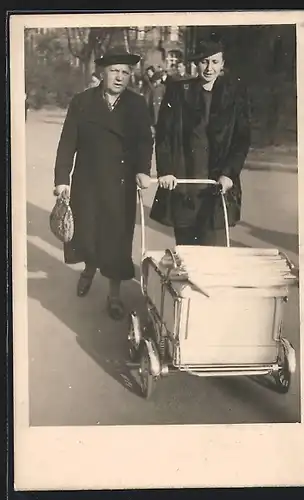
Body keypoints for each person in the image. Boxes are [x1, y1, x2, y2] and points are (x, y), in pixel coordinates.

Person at [53, 49, 153, 320]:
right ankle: (89, 268)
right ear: (102, 73)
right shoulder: (82, 102)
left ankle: (115, 294)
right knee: (86, 231)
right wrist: (62, 179)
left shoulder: (136, 104)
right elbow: (67, 142)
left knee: (117, 238)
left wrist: (143, 170)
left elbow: (145, 141)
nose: (120, 77)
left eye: (125, 72)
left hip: (120, 184)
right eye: (114, 71)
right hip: (87, 179)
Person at [150, 39, 251, 246]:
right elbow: (164, 135)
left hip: (216, 183)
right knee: (187, 252)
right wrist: (166, 170)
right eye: (204, 62)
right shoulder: (178, 92)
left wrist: (229, 173)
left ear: (222, 64)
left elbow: (242, 139)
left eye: (215, 62)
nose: (209, 68)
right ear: (197, 64)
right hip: (185, 180)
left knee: (215, 251)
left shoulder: (234, 95)